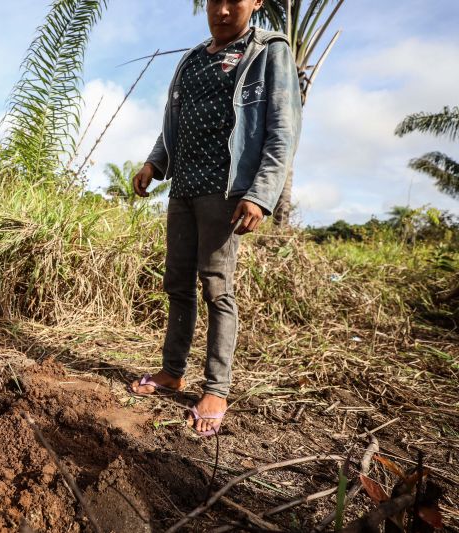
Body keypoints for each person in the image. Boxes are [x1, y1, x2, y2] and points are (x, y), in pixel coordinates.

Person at [130, 0, 302, 436]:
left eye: (234, 1)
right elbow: (175, 121)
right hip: (183, 189)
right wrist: (155, 163)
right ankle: (172, 372)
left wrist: (261, 195)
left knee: (216, 288)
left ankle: (216, 388)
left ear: (257, 2)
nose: (222, 10)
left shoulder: (268, 51)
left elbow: (282, 130)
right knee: (177, 284)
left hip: (224, 192)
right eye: (214, 1)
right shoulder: (192, 59)